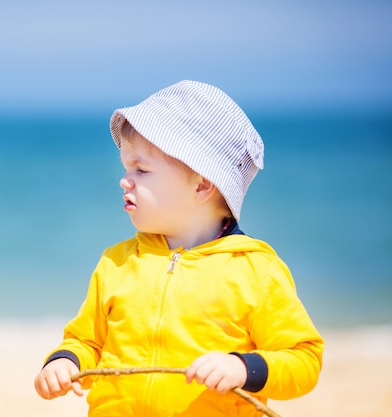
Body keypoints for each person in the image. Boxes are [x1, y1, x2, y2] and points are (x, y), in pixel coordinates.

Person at [33, 80, 324, 416]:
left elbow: (303, 359)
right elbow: (86, 340)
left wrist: (243, 368)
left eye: (142, 170)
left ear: (202, 185)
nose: (125, 180)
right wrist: (63, 361)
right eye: (126, 167)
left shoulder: (254, 271)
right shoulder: (117, 263)